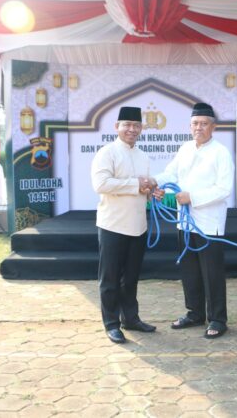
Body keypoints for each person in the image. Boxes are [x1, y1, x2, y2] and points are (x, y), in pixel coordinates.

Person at [154, 102, 235, 339]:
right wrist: (155, 184)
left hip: (209, 224)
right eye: (195, 124)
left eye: (203, 123)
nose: (198, 127)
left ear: (213, 127)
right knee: (189, 271)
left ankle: (218, 319)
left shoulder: (221, 152)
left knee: (212, 274)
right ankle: (195, 313)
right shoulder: (185, 148)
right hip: (185, 223)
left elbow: (224, 189)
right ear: (190, 126)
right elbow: (171, 174)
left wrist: (193, 197)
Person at [91, 106, 157, 345]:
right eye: (127, 124)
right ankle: (111, 324)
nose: (131, 129)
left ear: (141, 129)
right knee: (109, 278)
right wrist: (136, 184)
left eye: (136, 125)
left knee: (130, 278)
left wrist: (152, 190)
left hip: (138, 225)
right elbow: (101, 184)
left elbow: (144, 188)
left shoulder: (143, 155)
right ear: (116, 127)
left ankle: (130, 318)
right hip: (112, 226)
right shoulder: (106, 153)